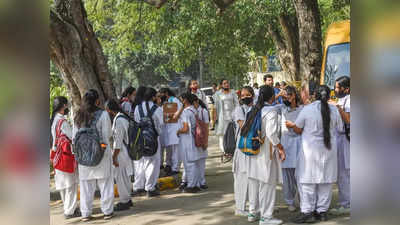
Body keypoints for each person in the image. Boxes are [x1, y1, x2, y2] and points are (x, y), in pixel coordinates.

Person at [285, 85, 342, 223]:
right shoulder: (334, 110)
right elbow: (340, 128)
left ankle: (307, 211)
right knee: (325, 181)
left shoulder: (307, 109)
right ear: (329, 96)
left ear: (314, 95)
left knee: (307, 182)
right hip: (329, 151)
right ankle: (321, 212)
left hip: (310, 151)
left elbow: (298, 128)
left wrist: (292, 126)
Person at [245, 85, 286, 225]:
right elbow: (272, 134)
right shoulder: (271, 111)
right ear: (272, 96)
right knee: (267, 185)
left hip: (253, 151)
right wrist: (280, 148)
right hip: (266, 152)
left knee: (255, 182)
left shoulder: (253, 109)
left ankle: (253, 212)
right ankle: (266, 217)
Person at [73, 89, 114, 221]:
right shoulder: (103, 115)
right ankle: (107, 211)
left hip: (84, 156)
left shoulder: (78, 116)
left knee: (85, 187)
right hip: (101, 154)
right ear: (97, 101)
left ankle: (86, 214)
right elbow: (106, 135)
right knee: (105, 183)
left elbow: (74, 138)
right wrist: (101, 148)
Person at [50, 96, 80, 219]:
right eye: (66, 105)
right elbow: (72, 137)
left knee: (63, 184)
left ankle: (67, 208)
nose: (67, 107)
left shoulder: (53, 120)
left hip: (56, 155)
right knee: (71, 185)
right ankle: (70, 211)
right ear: (62, 106)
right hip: (66, 156)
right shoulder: (63, 122)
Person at [132, 87, 164, 197]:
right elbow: (160, 126)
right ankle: (150, 187)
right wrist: (156, 133)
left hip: (141, 138)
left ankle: (139, 187)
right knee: (153, 163)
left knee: (141, 162)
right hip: (153, 138)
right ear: (153, 97)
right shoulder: (157, 109)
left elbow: (136, 122)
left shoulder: (137, 108)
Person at [105, 99, 133, 211]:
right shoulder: (122, 117)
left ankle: (124, 201)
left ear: (109, 110)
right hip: (124, 151)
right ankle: (127, 198)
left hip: (121, 153)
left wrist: (114, 157)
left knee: (121, 177)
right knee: (125, 176)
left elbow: (118, 142)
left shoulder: (119, 121)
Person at [329, 76, 351, 215]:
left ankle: (347, 203)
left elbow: (348, 119)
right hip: (339, 139)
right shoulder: (342, 100)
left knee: (345, 173)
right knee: (343, 173)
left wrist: (337, 107)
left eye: (338, 87)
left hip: (346, 140)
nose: (335, 90)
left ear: (346, 89)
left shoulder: (349, 100)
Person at [279, 86, 303, 212]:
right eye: (284, 95)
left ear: (294, 95)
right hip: (285, 145)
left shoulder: (302, 109)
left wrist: (294, 126)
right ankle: (289, 201)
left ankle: (303, 201)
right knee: (287, 177)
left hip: (299, 144)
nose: (286, 97)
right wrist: (278, 95)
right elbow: (264, 106)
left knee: (300, 175)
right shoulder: (281, 109)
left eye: (288, 95)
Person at [232, 86, 254, 217]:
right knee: (241, 178)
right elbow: (244, 128)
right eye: (243, 95)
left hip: (252, 149)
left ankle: (252, 207)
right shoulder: (239, 110)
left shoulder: (255, 108)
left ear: (252, 95)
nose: (245, 97)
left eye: (247, 95)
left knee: (252, 179)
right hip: (241, 149)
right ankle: (240, 208)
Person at [176, 93, 202, 193]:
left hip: (187, 140)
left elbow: (186, 128)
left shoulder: (186, 112)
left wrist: (178, 131)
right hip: (192, 139)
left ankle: (192, 185)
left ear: (185, 100)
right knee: (192, 163)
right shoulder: (193, 110)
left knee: (189, 164)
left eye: (181, 99)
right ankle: (194, 183)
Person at [159, 88, 184, 176]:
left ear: (166, 93)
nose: (160, 96)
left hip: (175, 127)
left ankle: (175, 168)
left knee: (176, 149)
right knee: (171, 149)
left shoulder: (174, 100)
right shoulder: (166, 102)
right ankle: (171, 166)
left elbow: (179, 112)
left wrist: (169, 115)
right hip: (169, 128)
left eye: (161, 93)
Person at [215, 79, 239, 157]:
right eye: (224, 83)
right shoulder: (218, 94)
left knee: (233, 132)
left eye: (227, 83)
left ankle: (232, 149)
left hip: (232, 116)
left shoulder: (233, 92)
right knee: (223, 134)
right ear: (221, 85)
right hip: (222, 116)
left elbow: (237, 103)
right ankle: (224, 150)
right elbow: (216, 106)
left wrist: (237, 114)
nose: (226, 84)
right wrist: (216, 118)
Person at [193, 95, 210, 189]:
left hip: (202, 138)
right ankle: (198, 182)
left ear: (197, 102)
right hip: (195, 139)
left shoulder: (203, 111)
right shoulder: (192, 111)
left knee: (202, 162)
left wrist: (206, 141)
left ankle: (202, 182)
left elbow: (206, 127)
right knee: (197, 161)